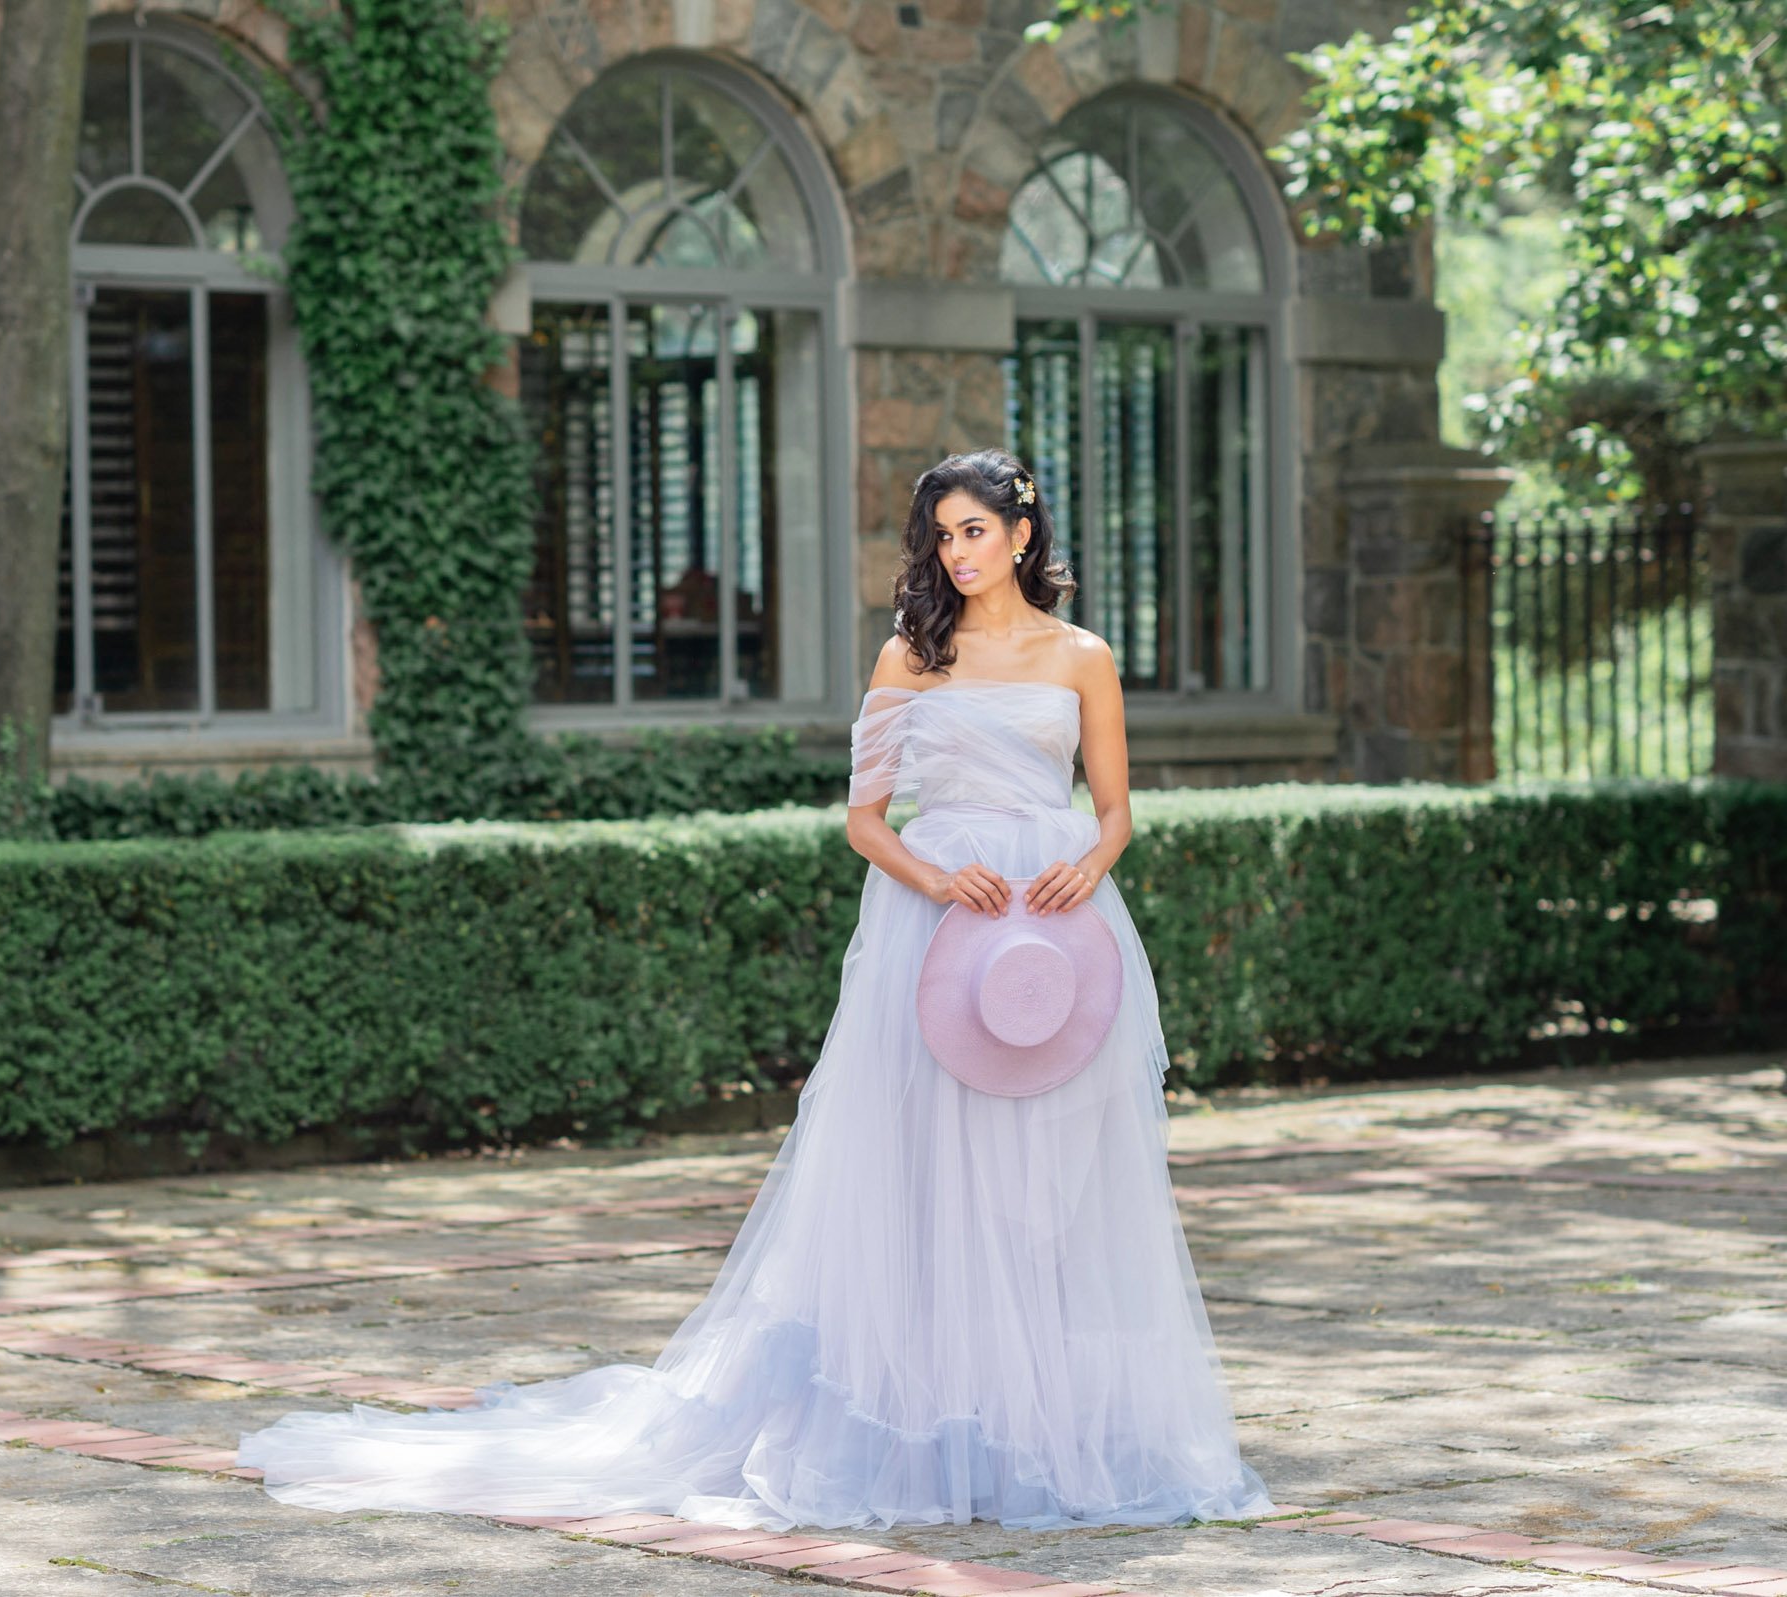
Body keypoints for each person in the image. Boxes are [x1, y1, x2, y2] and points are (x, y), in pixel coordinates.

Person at [235, 448, 1274, 1532]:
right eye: (943, 535)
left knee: (1044, 1188)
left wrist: (1090, 863)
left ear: (1023, 533)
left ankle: (1036, 1427)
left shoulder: (1082, 658)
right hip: (939, 926)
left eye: (976, 530)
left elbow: (1116, 811)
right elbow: (864, 820)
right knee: (923, 1174)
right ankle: (921, 1430)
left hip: (1056, 935)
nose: (958, 554)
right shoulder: (910, 658)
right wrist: (936, 878)